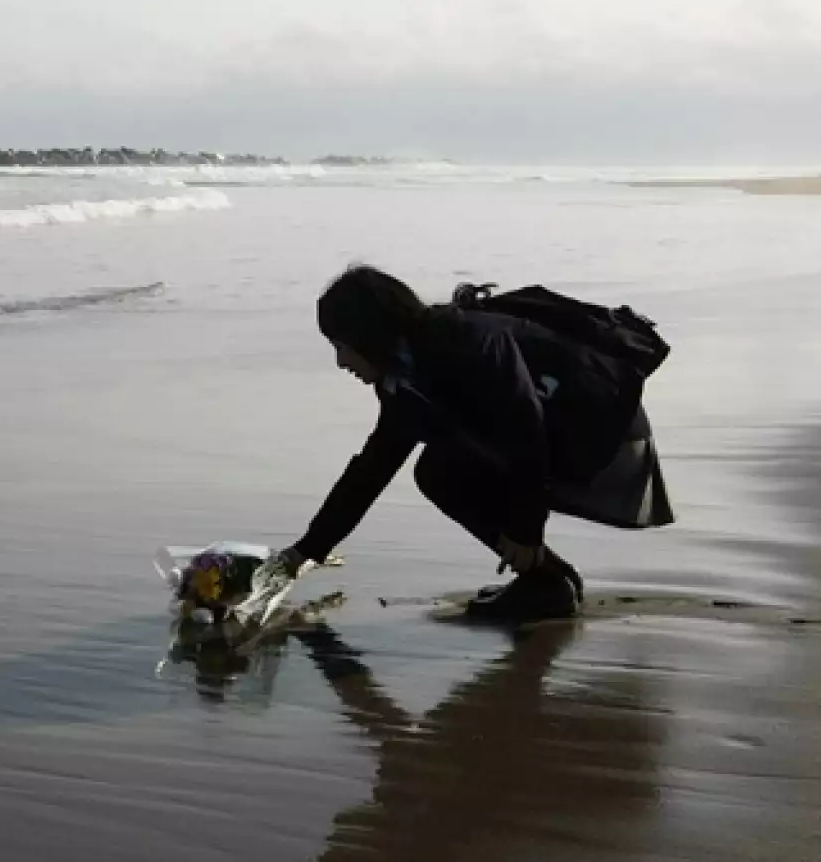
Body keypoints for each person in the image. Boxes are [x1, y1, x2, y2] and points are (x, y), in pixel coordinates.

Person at [248, 265, 675, 622]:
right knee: (436, 470)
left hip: (604, 437)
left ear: (367, 335)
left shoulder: (468, 345)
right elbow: (373, 468)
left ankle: (546, 584)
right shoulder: (406, 374)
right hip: (557, 440)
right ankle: (548, 580)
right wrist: (304, 553)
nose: (341, 362)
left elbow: (526, 428)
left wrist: (526, 531)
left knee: (441, 472)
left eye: (342, 347)